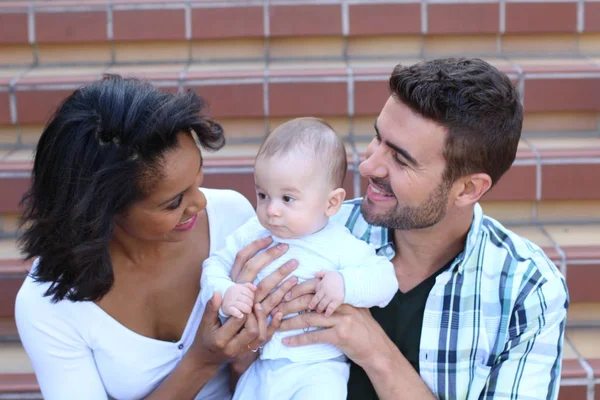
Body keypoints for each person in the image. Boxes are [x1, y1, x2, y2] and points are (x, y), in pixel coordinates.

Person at [275, 58, 569, 399]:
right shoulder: (312, 230)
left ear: (468, 189)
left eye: (400, 159)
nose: (368, 164)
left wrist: (375, 351)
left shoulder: (526, 288)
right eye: (377, 138)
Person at [14, 75, 298, 400]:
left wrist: (247, 357)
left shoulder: (232, 218)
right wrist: (203, 361)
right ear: (102, 211)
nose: (200, 203)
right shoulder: (48, 304)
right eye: (174, 202)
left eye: (199, 176)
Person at [201, 117, 398, 400]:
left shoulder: (341, 243)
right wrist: (226, 290)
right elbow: (214, 265)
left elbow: (384, 278)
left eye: (287, 199)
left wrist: (344, 283)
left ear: (331, 203)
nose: (272, 211)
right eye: (263, 195)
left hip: (317, 369)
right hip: (261, 365)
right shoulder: (253, 232)